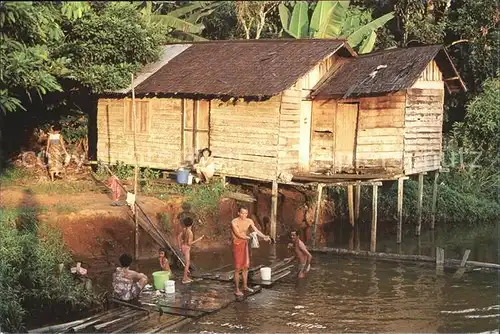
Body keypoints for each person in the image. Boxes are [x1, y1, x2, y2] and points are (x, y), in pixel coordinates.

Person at [231, 206, 271, 296]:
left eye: (245, 213)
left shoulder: (249, 221)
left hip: (245, 244)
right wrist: (249, 237)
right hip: (237, 244)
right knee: (237, 268)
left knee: (245, 266)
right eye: (242, 213)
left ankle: (245, 286)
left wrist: (264, 236)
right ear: (238, 213)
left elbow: (256, 230)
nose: (244, 215)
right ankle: (237, 289)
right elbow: (238, 235)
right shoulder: (234, 222)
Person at [177, 217, 204, 284]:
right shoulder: (190, 232)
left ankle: (186, 276)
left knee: (186, 263)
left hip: (183, 247)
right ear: (192, 224)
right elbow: (189, 243)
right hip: (186, 248)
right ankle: (184, 278)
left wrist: (180, 246)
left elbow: (178, 237)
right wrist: (198, 239)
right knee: (187, 264)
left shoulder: (184, 229)